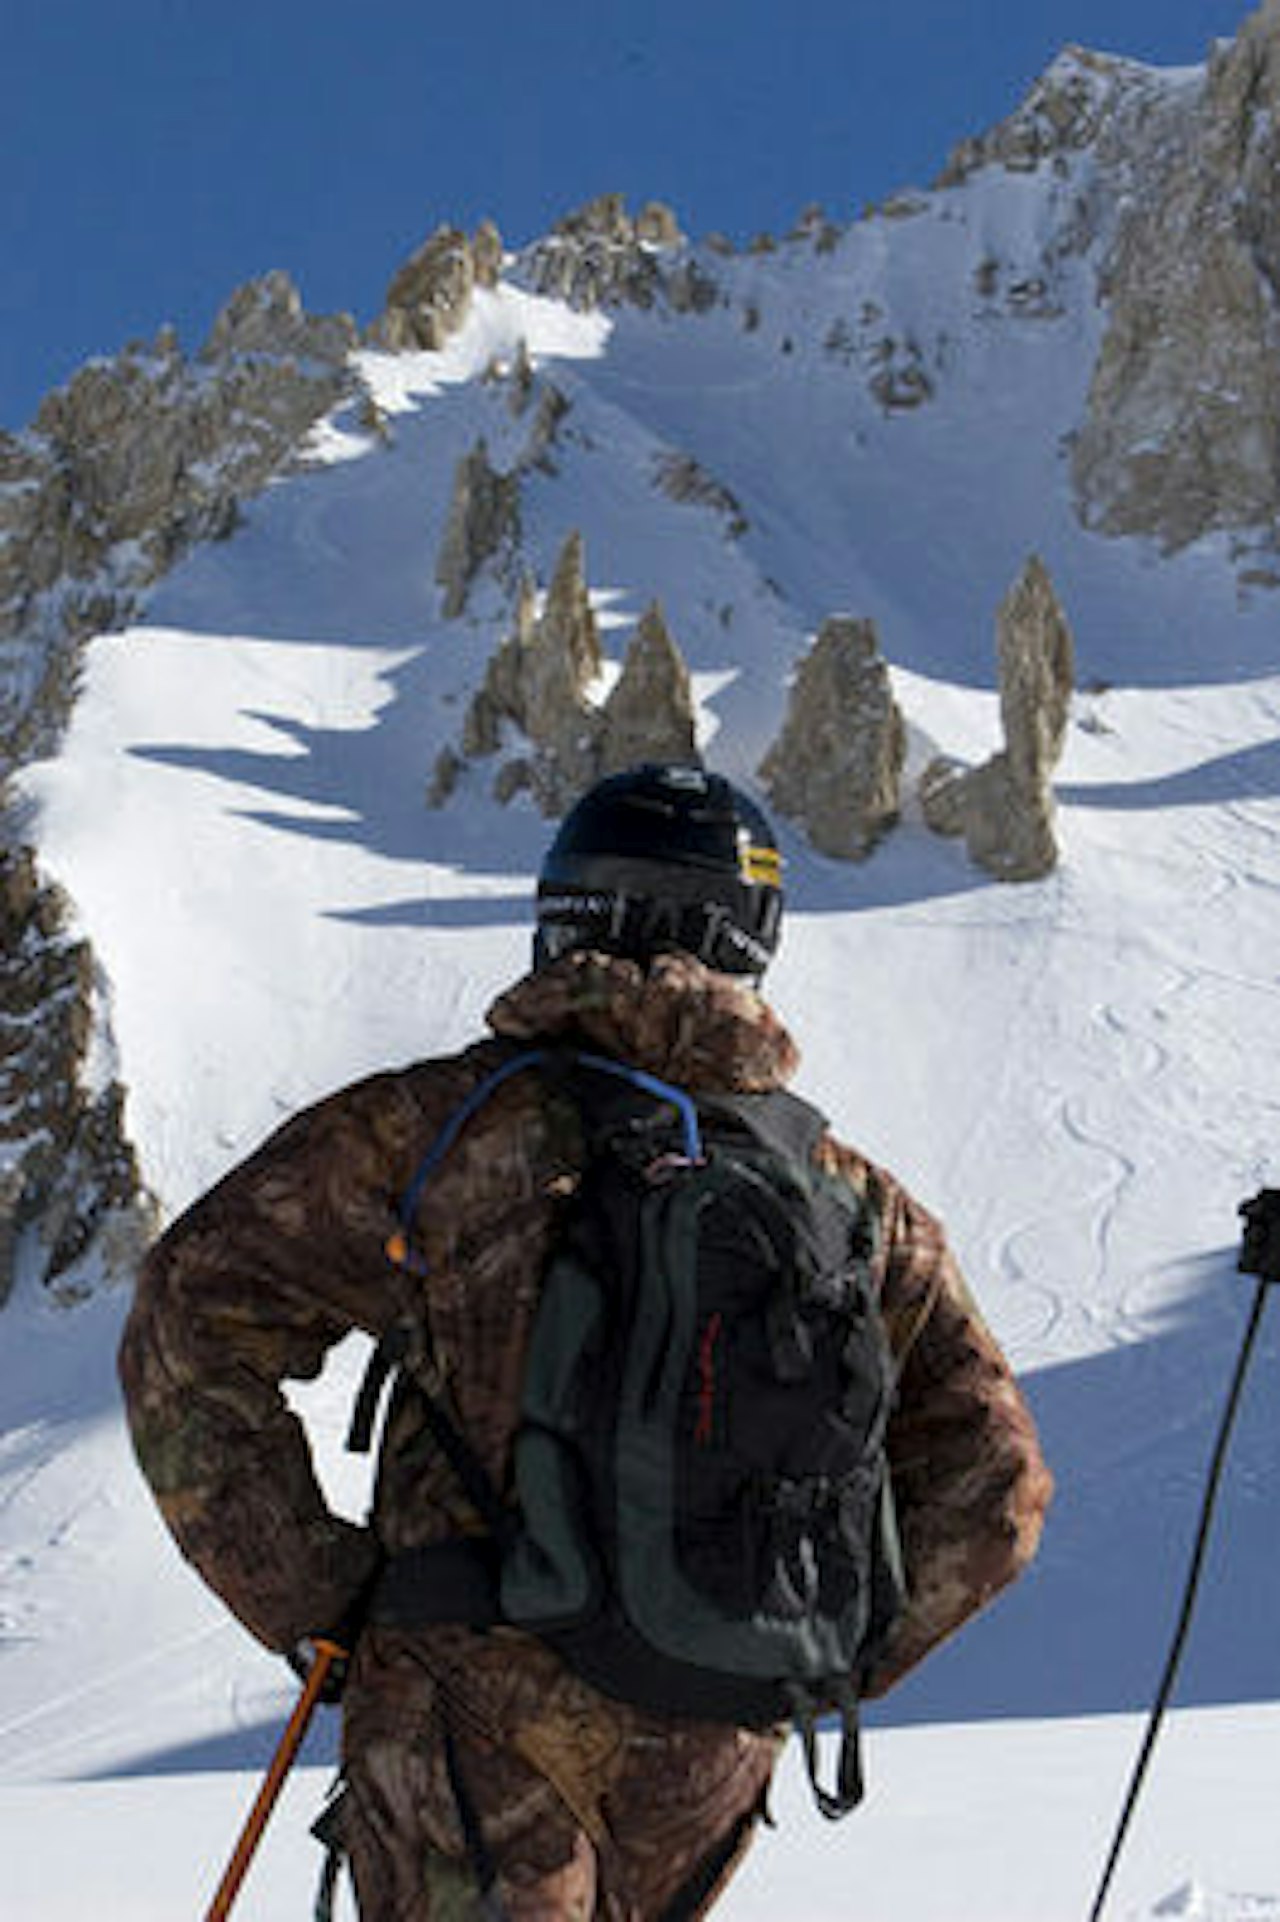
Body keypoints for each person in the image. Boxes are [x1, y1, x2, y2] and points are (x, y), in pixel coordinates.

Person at [119, 761, 1053, 1921]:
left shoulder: (439, 1130)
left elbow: (190, 1310)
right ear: (751, 935)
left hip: (466, 1710)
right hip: (709, 1738)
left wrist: (315, 1592)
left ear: (563, 911)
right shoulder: (852, 1201)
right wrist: (802, 1654)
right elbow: (995, 1487)